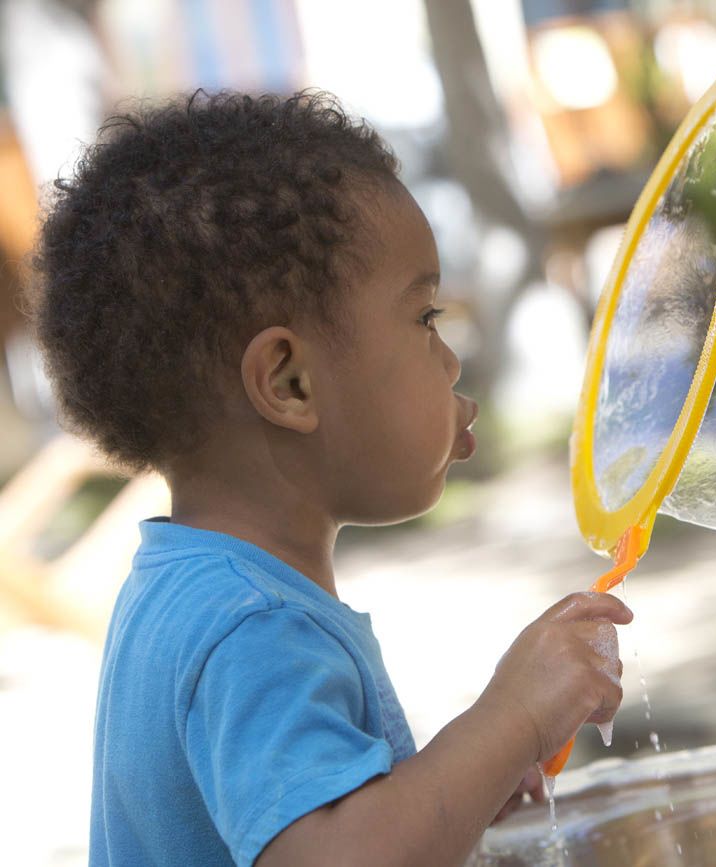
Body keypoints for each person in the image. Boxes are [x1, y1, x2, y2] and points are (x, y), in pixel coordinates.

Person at [29, 90, 631, 867]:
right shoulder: (252, 623)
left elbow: (332, 829)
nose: (449, 359)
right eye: (422, 318)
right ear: (288, 383)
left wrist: (460, 793)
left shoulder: (189, 588)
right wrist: (511, 717)